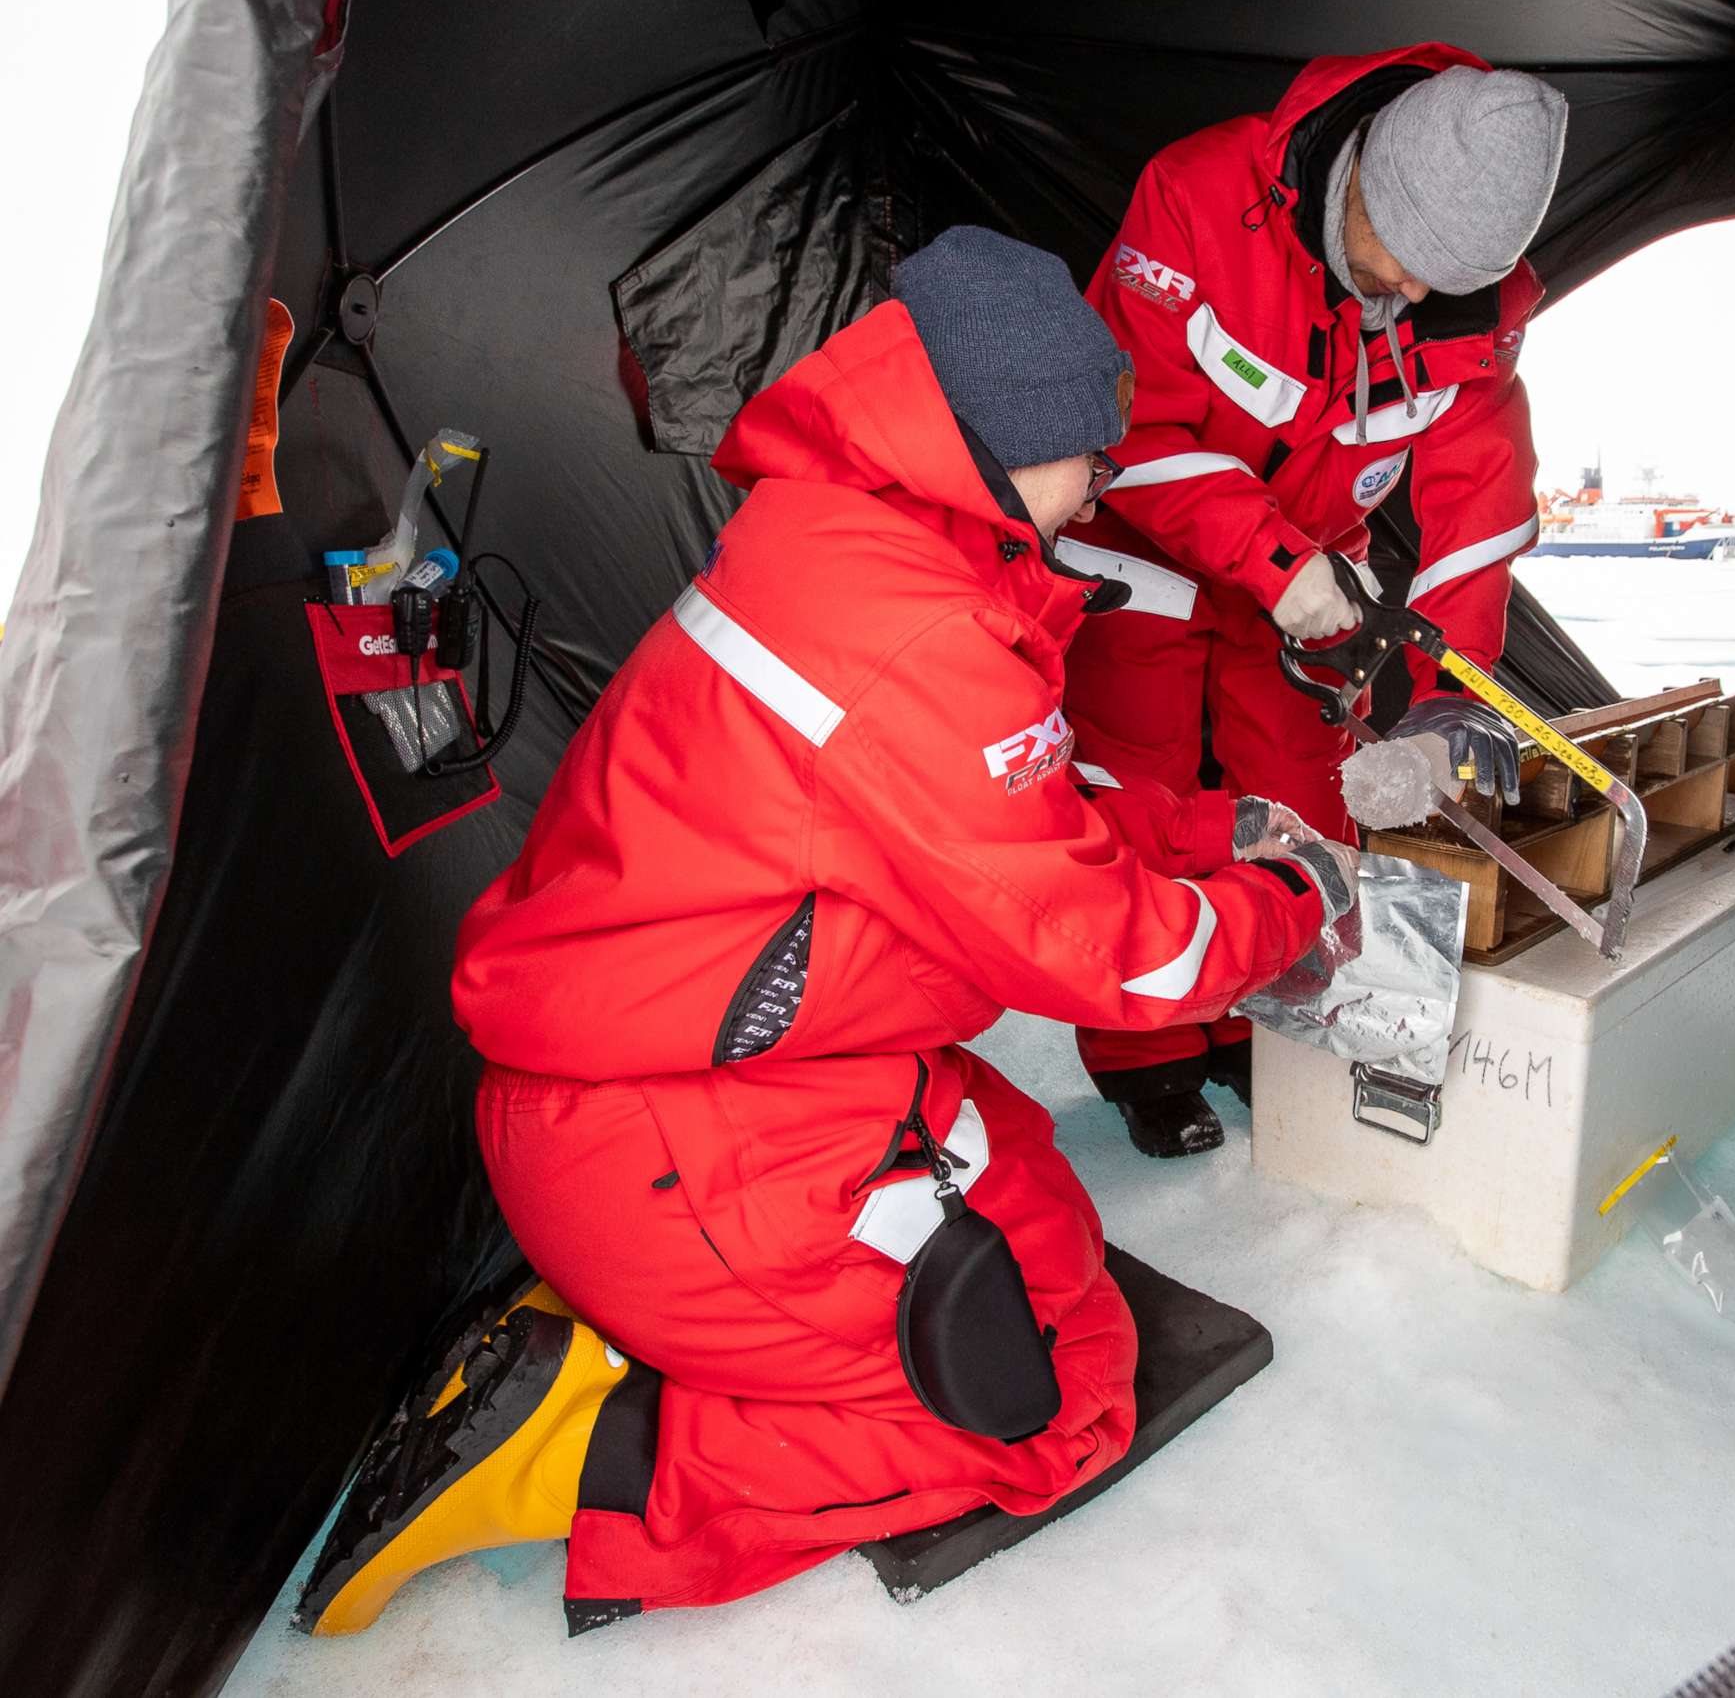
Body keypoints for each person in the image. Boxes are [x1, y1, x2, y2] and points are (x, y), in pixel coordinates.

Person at [296, 227, 1357, 1636]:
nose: (1105, 475)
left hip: (720, 1087)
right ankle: (590, 1457)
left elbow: (1020, 806)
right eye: (1086, 444)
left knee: (1042, 1214)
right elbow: (1118, 955)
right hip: (678, 1139)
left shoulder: (858, 544)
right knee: (1057, 1400)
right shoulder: (908, 628)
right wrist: (1292, 909)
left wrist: (1222, 833)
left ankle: (637, 1328)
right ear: (1003, 432)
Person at [1064, 46, 1568, 1157]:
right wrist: (1271, 558)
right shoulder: (1195, 201)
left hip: (1307, 585)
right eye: (1406, 257)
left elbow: (1476, 515)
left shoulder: (1469, 317)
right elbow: (1125, 422)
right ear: (1364, 182)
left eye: (1454, 275)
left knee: (1299, 795)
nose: (1420, 294)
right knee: (1138, 793)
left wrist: (1449, 696)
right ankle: (1146, 1053)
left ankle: (1266, 1008)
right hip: (1145, 546)